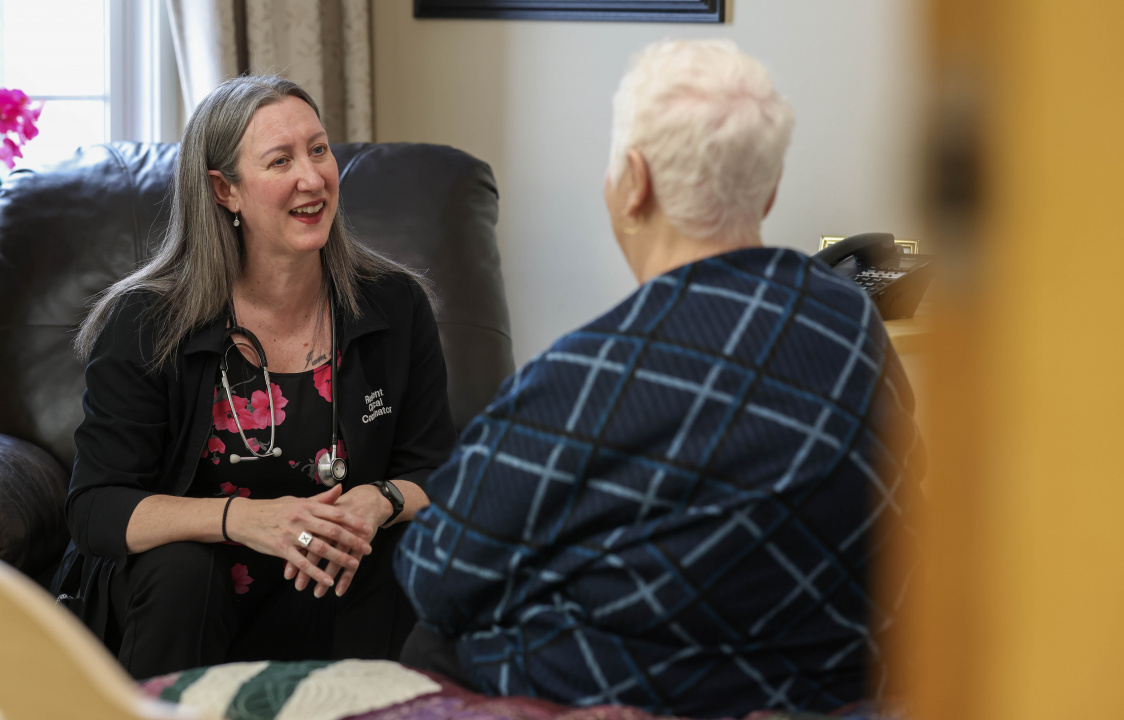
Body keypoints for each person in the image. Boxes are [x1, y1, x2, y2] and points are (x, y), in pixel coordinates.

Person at [393, 39, 924, 718]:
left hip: (652, 687)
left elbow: (433, 570)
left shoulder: (585, 375)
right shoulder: (851, 319)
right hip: (837, 678)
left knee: (434, 639)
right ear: (770, 187)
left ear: (633, 181)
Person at [55, 75, 456, 678]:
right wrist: (244, 520)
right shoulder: (147, 322)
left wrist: (379, 502)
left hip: (334, 587)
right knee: (183, 569)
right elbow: (97, 509)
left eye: (319, 150)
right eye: (280, 160)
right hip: (186, 605)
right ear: (224, 190)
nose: (312, 178)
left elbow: (437, 469)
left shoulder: (395, 306)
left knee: (407, 549)